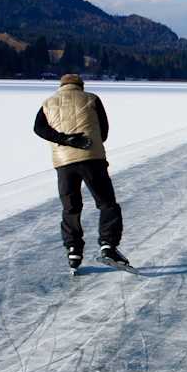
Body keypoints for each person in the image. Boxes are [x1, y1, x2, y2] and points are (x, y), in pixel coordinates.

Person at [33, 74, 130, 272]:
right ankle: (108, 246)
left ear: (61, 86)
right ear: (80, 85)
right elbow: (104, 131)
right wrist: (90, 141)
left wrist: (64, 139)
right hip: (92, 159)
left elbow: (38, 128)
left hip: (64, 163)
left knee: (71, 208)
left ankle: (73, 250)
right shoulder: (92, 98)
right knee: (107, 204)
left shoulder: (48, 103)